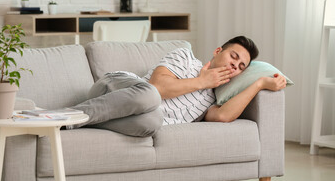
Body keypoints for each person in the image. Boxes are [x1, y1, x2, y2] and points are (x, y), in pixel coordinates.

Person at [69, 36, 287, 137]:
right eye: (233, 56)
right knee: (150, 97)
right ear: (218, 50)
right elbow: (157, 87)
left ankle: (86, 122)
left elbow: (222, 117)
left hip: (130, 116)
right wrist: (202, 81)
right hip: (114, 88)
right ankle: (68, 117)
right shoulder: (185, 57)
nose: (234, 65)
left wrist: (259, 83)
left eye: (241, 67)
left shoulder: (213, 101)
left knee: (153, 121)